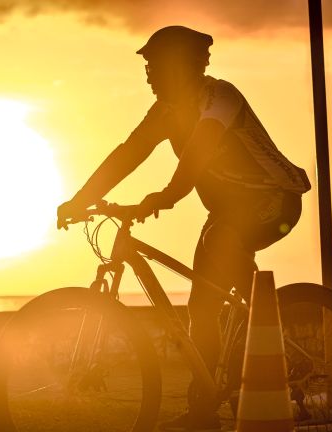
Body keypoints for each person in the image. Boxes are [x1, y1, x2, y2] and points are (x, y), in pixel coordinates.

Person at [57, 25, 311, 432]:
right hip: (226, 211)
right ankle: (203, 409)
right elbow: (128, 154)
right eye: (146, 67)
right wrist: (80, 199)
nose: (148, 75)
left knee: (221, 239)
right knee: (200, 310)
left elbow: (198, 151)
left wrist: (167, 195)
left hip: (275, 198)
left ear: (183, 67)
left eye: (155, 66)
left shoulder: (219, 97)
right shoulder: (165, 112)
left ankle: (264, 325)